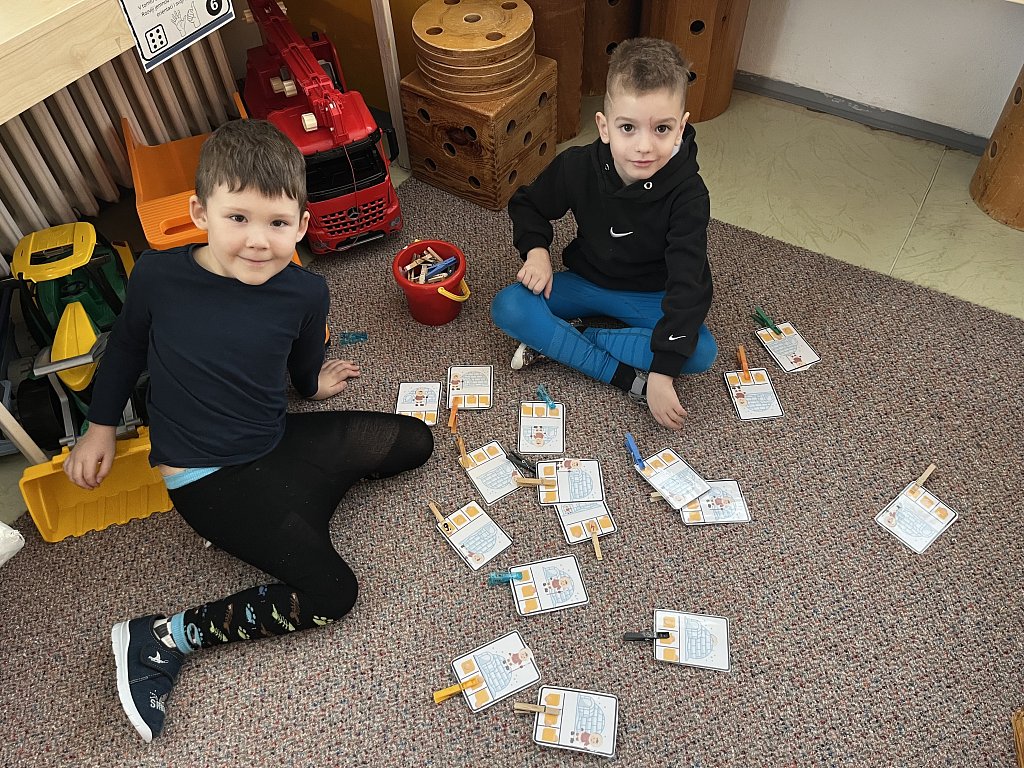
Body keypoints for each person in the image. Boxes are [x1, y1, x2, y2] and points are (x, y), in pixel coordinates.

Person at [63, 119, 433, 742]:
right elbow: (125, 350)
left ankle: (291, 510)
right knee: (332, 594)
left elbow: (301, 366)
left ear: (302, 226)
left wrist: (314, 387)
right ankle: (162, 637)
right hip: (206, 476)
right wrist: (99, 428)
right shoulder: (157, 276)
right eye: (238, 218)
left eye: (277, 223)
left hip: (271, 439)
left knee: (415, 442)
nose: (259, 241)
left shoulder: (306, 291)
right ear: (199, 213)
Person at [490, 37, 718, 432]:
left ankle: (574, 337)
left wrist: (663, 372)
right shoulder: (577, 166)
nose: (644, 146)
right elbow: (528, 204)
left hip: (651, 292)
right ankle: (622, 377)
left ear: (680, 128)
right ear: (604, 126)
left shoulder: (690, 194)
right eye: (628, 127)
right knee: (509, 306)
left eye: (662, 128)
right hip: (586, 280)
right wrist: (537, 251)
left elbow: (689, 283)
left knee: (701, 352)